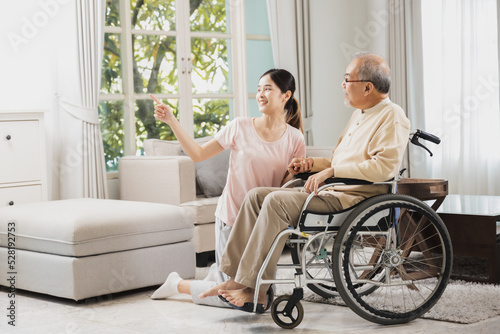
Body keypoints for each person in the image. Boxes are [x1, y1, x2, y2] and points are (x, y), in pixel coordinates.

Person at [199, 52, 411, 312]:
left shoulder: (392, 116)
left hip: (352, 197)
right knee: (256, 195)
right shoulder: (361, 114)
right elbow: (338, 159)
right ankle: (234, 278)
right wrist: (311, 165)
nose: (342, 86)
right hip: (335, 189)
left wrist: (329, 173)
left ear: (367, 87)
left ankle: (257, 289)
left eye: (347, 80)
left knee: (276, 200)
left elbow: (383, 168)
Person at [149, 69, 306, 308]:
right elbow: (198, 154)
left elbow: (287, 188)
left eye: (268, 89)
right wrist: (172, 120)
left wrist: (295, 173)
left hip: (264, 227)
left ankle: (215, 275)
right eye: (259, 88)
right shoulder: (240, 127)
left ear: (285, 96)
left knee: (261, 299)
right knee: (242, 302)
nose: (261, 94)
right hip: (232, 220)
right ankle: (178, 284)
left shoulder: (295, 139)